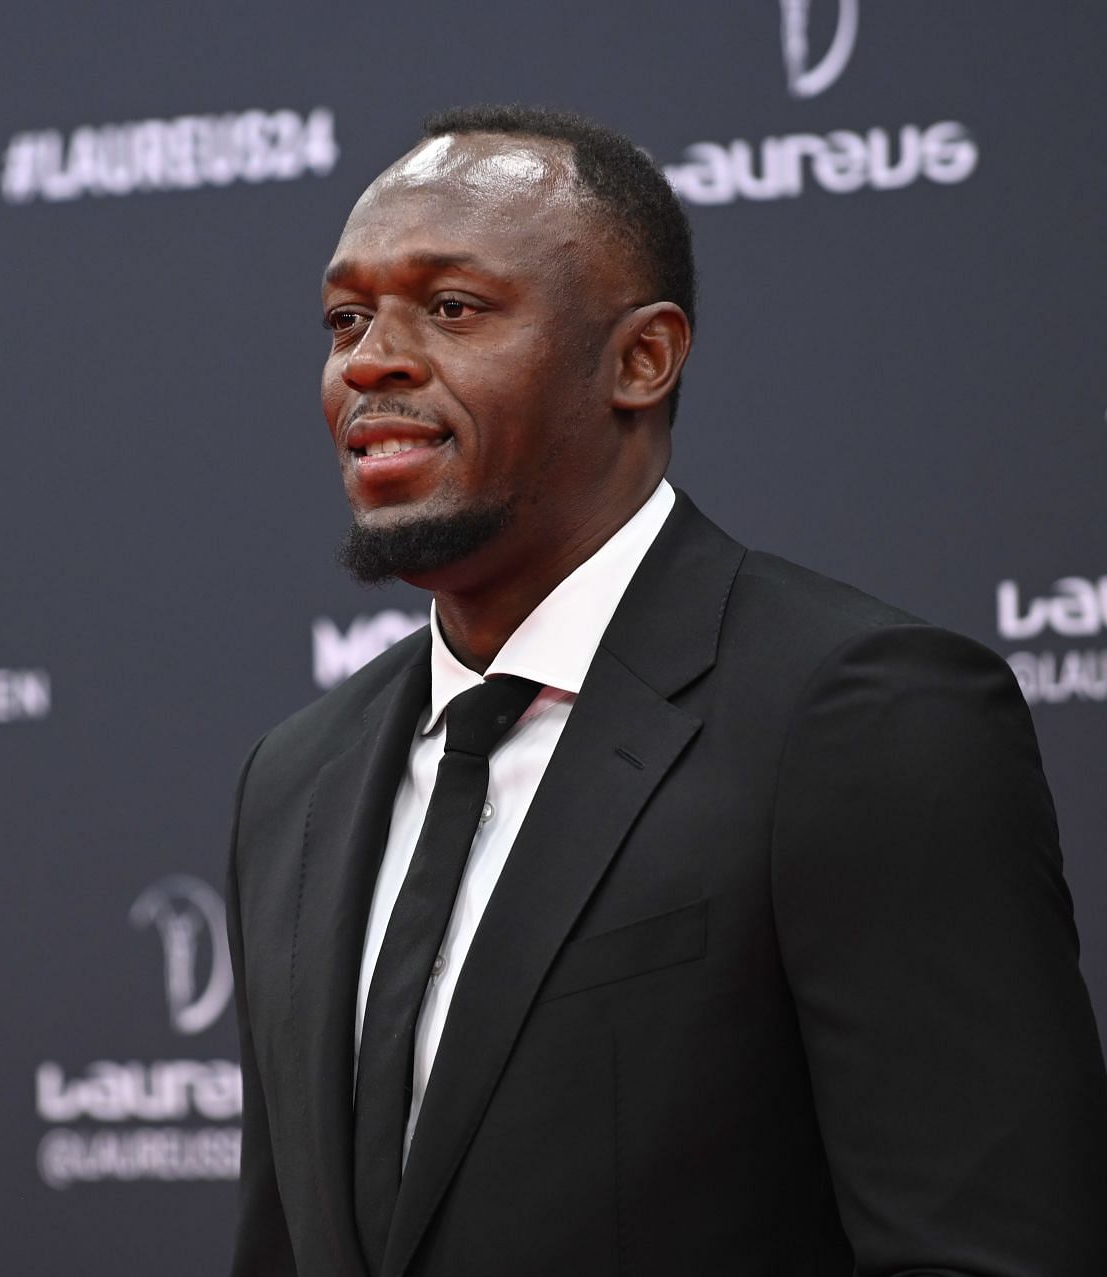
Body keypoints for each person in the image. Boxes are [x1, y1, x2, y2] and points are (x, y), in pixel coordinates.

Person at [223, 105, 1107, 1277]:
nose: (368, 360)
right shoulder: (296, 776)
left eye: (451, 308)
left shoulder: (861, 717)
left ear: (642, 358)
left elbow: (991, 1246)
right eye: (346, 317)